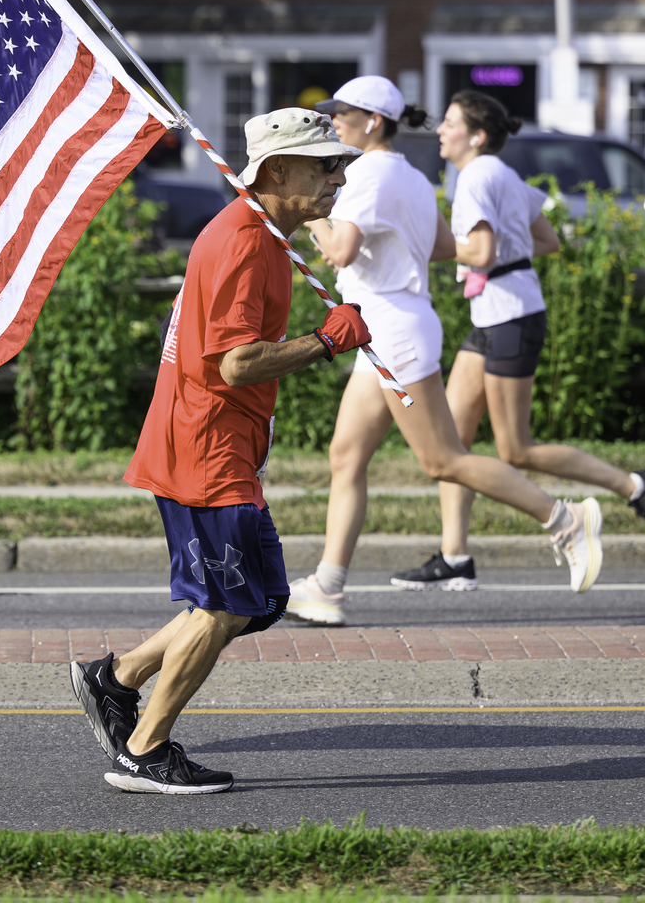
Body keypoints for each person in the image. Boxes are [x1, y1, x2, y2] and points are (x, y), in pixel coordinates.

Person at [70, 107, 373, 794]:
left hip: (218, 447)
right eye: (324, 163)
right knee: (226, 605)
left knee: (258, 600)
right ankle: (144, 751)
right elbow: (235, 364)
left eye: (340, 163)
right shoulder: (243, 241)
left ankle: (113, 681)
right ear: (276, 171)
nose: (338, 174)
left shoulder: (263, 236)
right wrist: (327, 341)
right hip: (205, 451)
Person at [285, 76, 604, 630]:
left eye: (344, 114)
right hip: (381, 325)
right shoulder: (409, 175)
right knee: (346, 456)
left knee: (443, 459)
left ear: (374, 123)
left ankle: (564, 518)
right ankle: (327, 587)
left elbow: (340, 248)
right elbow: (438, 247)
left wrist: (304, 209)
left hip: (392, 329)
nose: (334, 121)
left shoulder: (368, 174)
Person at [390, 89, 645, 594]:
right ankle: (455, 557)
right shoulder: (500, 173)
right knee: (453, 440)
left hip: (508, 317)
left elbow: (479, 250)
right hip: (502, 311)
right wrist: (499, 262)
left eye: (450, 123)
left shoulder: (476, 176)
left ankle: (634, 486)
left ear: (475, 136)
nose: (440, 130)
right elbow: (548, 240)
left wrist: (423, 248)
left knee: (515, 448)